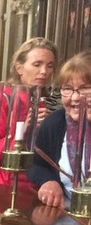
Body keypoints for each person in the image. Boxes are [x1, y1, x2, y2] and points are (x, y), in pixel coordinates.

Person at [0, 37, 58, 187]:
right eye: (37, 64)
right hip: (5, 183)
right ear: (19, 68)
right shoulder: (4, 98)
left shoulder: (45, 100)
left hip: (39, 183)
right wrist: (22, 131)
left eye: (50, 66)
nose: (44, 72)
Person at [29, 51, 91, 209]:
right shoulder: (55, 123)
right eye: (68, 89)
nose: (75, 98)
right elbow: (36, 164)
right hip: (68, 212)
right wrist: (49, 181)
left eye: (85, 89)